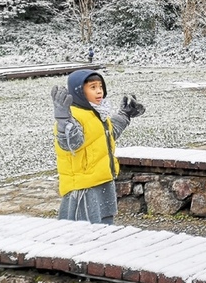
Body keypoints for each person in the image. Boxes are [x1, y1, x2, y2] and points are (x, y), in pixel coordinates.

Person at [51, 69, 145, 224]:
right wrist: (63, 121)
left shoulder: (97, 113)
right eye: (93, 87)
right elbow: (71, 144)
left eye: (100, 87)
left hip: (102, 180)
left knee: (103, 228)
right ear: (79, 91)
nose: (99, 91)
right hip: (83, 188)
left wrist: (124, 115)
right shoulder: (73, 116)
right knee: (81, 232)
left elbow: (107, 134)